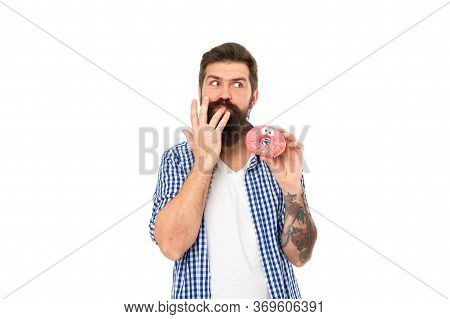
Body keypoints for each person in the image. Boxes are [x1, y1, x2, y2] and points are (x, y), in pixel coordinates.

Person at [149, 42, 317, 299]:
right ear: (201, 91)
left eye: (237, 84)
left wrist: (293, 190)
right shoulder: (177, 160)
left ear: (254, 97)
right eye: (215, 83)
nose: (224, 95)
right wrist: (204, 163)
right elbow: (171, 247)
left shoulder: (277, 158)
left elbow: (300, 257)